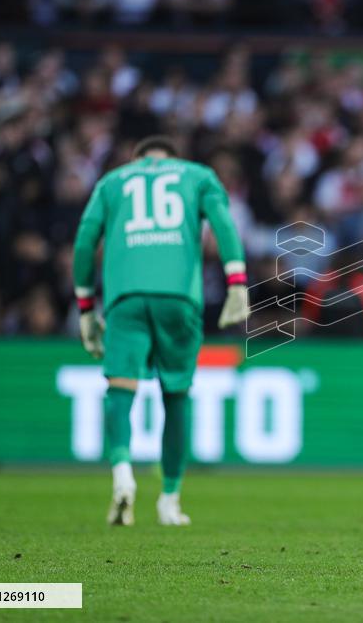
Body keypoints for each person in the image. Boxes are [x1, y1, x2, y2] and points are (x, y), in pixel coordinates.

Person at [72, 136, 248, 526]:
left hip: (125, 298)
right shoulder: (197, 176)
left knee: (119, 388)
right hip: (179, 297)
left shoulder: (112, 182)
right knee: (176, 395)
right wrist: (236, 281)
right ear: (171, 157)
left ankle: (122, 476)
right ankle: (169, 500)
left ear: (138, 158)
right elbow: (222, 222)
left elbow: (85, 242)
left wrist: (86, 308)